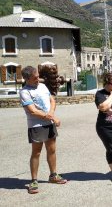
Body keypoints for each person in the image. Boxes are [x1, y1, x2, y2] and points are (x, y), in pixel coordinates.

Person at [19, 66, 67, 194]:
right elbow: (33, 111)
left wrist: (51, 113)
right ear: (27, 78)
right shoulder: (24, 92)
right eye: (35, 78)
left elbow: (52, 100)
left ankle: (53, 176)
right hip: (36, 126)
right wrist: (53, 117)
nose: (38, 79)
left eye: (38, 76)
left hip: (49, 123)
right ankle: (34, 180)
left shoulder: (42, 86)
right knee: (36, 153)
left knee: (52, 150)